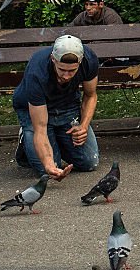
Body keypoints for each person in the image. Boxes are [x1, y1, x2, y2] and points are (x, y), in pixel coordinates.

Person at [12, 35, 99, 179]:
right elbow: (40, 128)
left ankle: (56, 138)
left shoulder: (89, 59)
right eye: (62, 69)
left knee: (89, 162)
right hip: (34, 109)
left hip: (67, 104)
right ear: (53, 59)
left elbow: (90, 95)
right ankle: (26, 136)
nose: (66, 76)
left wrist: (83, 126)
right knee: (49, 170)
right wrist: (49, 165)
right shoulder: (37, 72)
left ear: (80, 61)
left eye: (71, 71)